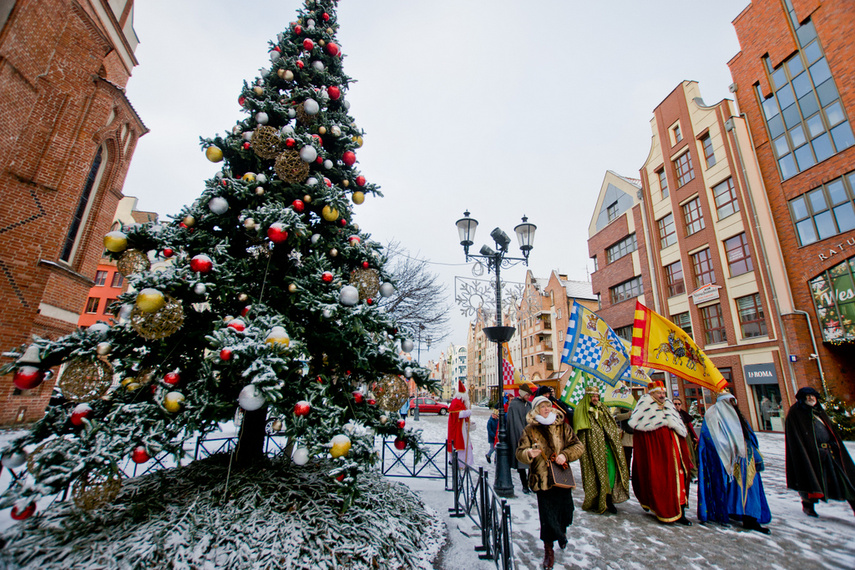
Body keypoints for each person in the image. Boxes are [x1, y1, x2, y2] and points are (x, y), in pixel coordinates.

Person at [516, 395, 585, 570]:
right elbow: (519, 452)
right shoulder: (530, 430)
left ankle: (561, 532)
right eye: (542, 407)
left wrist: (565, 455)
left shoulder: (563, 427)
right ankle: (549, 551)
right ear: (536, 410)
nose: (546, 409)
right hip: (541, 479)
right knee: (547, 516)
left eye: (548, 406)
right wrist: (528, 454)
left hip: (561, 476)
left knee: (566, 511)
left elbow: (578, 446)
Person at [697, 392, 771, 533]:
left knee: (750, 490)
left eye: (733, 401)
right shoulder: (713, 417)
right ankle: (731, 512)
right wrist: (727, 449)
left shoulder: (738, 418)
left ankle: (750, 518)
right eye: (729, 402)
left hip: (745, 460)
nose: (732, 405)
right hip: (726, 461)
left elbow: (749, 436)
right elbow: (710, 440)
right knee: (731, 490)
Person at [628, 380, 694, 525]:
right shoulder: (645, 409)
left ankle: (681, 512)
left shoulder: (669, 406)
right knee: (664, 482)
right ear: (652, 393)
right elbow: (643, 438)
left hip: (676, 455)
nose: (662, 395)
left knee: (680, 481)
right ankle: (665, 511)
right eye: (659, 393)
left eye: (663, 393)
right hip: (660, 457)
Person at [785, 386, 855, 518]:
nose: (811, 399)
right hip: (812, 455)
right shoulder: (796, 413)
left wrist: (834, 443)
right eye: (808, 396)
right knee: (812, 479)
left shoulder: (819, 411)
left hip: (830, 453)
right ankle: (808, 505)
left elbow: (830, 430)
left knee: (846, 480)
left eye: (813, 396)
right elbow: (796, 438)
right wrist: (809, 450)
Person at [574, 385, 630, 514]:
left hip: (607, 447)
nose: (595, 398)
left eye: (597, 396)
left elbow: (610, 424)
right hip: (592, 450)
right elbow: (580, 432)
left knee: (610, 473)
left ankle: (609, 499)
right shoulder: (581, 410)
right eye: (593, 396)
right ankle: (598, 499)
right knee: (596, 474)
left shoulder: (603, 408)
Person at [507, 382, 534, 494]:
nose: (528, 397)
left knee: (532, 461)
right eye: (527, 394)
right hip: (519, 436)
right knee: (522, 462)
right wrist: (522, 434)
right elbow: (513, 422)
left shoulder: (529, 405)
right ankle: (524, 484)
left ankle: (531, 483)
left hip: (530, 436)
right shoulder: (514, 405)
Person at [447, 381, 473, 465]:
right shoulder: (456, 402)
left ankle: (465, 462)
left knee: (466, 444)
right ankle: (460, 463)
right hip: (457, 428)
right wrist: (467, 412)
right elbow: (457, 414)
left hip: (461, 428)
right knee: (459, 445)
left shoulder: (461, 402)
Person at [673, 396, 699, 482]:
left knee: (690, 455)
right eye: (675, 404)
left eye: (679, 404)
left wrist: (695, 438)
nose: (677, 406)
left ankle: (693, 473)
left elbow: (690, 427)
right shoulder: (670, 416)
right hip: (675, 437)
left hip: (686, 437)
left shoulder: (684, 415)